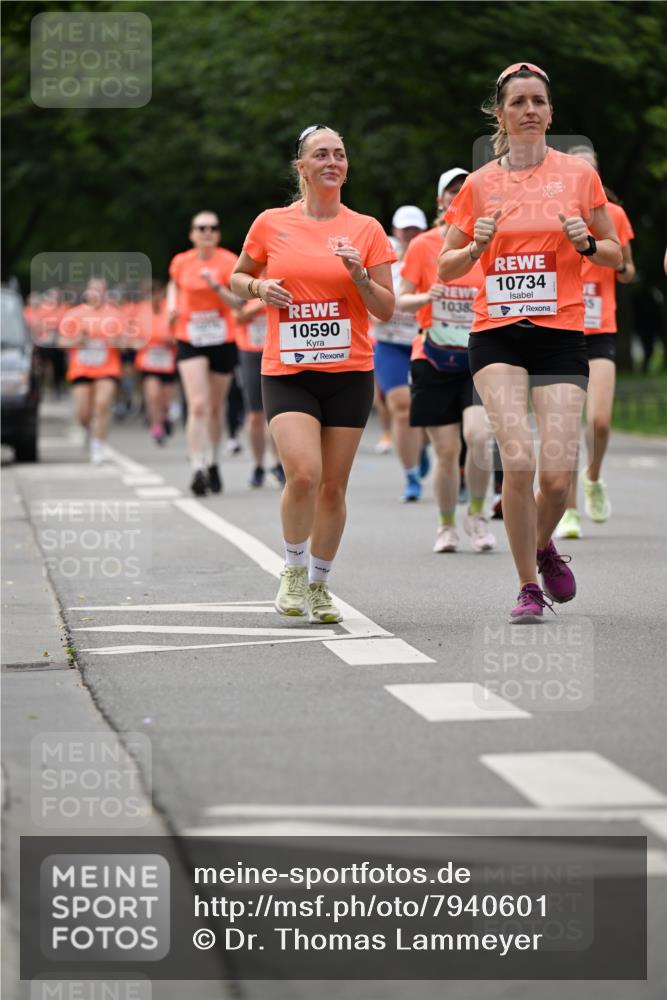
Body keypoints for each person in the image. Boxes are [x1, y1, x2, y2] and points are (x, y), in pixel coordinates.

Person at [440, 63, 621, 623]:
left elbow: (616, 254)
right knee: (517, 459)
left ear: (550, 111)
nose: (529, 111)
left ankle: (544, 547)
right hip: (496, 333)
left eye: (538, 101)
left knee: (558, 475)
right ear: (500, 114)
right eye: (517, 102)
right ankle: (526, 586)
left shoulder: (577, 177)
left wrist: (588, 243)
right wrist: (474, 250)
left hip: (562, 333)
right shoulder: (478, 185)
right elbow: (447, 266)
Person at [231, 124, 396, 623]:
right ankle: (294, 569)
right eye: (321, 154)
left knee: (333, 488)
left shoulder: (366, 229)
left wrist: (361, 277)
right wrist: (260, 289)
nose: (332, 161)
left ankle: (321, 585)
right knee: (303, 474)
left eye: (340, 155)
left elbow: (386, 308)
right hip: (289, 371)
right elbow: (237, 277)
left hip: (349, 371)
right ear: (300, 167)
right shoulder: (270, 223)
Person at [400, 169, 496, 553]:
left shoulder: (491, 241)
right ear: (441, 201)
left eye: (465, 191)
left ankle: (477, 516)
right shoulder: (423, 246)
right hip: (434, 357)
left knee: (479, 437)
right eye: (452, 192)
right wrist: (424, 299)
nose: (459, 197)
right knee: (445, 452)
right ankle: (445, 525)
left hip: (480, 356)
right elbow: (400, 298)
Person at [556, 145, 635, 538]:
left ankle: (593, 477)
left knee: (599, 420)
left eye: (593, 168)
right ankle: (569, 510)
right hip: (564, 328)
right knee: (567, 427)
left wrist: (618, 265)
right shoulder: (554, 213)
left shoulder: (614, 216)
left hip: (601, 328)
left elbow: (628, 267)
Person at [168, 210, 241, 496]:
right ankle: (197, 465)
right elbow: (173, 284)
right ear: (192, 234)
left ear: (218, 233)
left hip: (222, 337)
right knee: (197, 404)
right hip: (190, 337)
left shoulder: (229, 261)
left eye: (212, 227)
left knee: (215, 407)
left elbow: (238, 303)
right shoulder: (181, 261)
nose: (207, 232)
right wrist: (173, 304)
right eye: (201, 228)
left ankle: (213, 460)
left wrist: (215, 286)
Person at [372, 205, 429, 501]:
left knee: (426, 411)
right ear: (395, 231)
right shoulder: (384, 258)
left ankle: (423, 446)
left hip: (425, 341)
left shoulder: (433, 253)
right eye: (405, 230)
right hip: (390, 343)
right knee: (400, 405)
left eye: (415, 229)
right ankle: (411, 475)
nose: (410, 235)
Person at [58, 277, 125, 464]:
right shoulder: (74, 315)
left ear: (105, 293)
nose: (96, 293)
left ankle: (98, 445)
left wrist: (116, 342)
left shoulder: (115, 314)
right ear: (87, 292)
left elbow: (126, 344)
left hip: (108, 367)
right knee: (83, 413)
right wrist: (77, 340)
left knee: (102, 405)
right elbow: (61, 342)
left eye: (100, 290)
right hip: (81, 368)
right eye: (93, 289)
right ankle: (89, 430)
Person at [234, 292, 285, 487]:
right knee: (255, 414)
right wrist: (264, 300)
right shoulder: (243, 279)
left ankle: (278, 463)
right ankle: (258, 465)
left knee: (278, 412)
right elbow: (238, 316)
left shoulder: (283, 274)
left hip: (281, 350)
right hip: (252, 352)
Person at [133, 282, 178, 445]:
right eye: (150, 293)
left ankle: (164, 416)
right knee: (153, 395)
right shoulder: (141, 310)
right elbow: (135, 334)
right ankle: (156, 427)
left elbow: (178, 331)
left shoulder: (170, 308)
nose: (154, 296)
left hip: (167, 360)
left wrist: (171, 340)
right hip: (148, 361)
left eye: (156, 293)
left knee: (165, 399)